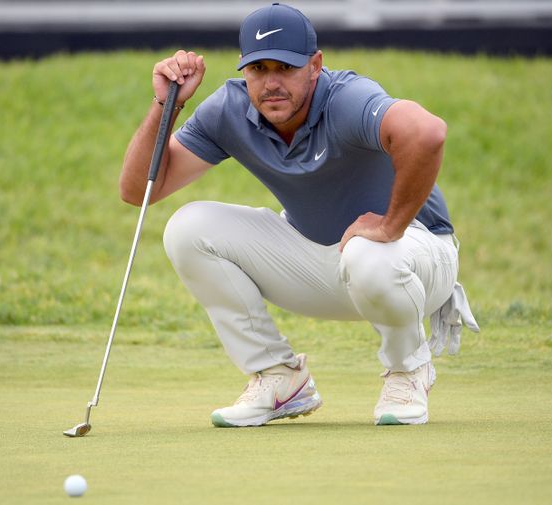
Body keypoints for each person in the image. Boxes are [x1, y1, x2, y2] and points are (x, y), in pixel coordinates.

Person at [120, 2, 479, 427]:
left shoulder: (346, 98)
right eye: (258, 69)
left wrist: (390, 226)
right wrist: (165, 105)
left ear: (315, 65)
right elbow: (138, 190)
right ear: (243, 70)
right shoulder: (229, 110)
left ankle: (408, 371)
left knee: (368, 254)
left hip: (415, 260)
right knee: (187, 228)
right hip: (323, 262)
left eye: (285, 68)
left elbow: (427, 132)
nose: (271, 83)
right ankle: (279, 378)